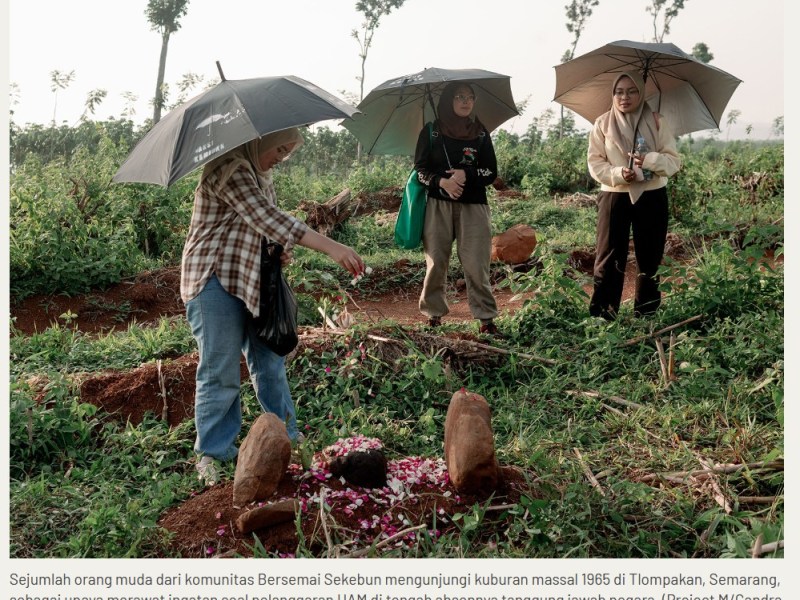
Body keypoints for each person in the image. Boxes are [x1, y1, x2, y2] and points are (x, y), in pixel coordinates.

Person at [181, 128, 365, 484]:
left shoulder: (258, 173)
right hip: (214, 278)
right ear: (259, 139)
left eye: (287, 152)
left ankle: (287, 439)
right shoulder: (229, 167)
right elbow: (267, 217)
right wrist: (333, 247)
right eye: (279, 149)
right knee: (220, 368)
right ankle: (214, 452)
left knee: (269, 361)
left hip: (252, 280)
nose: (281, 158)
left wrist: (276, 251)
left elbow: (264, 229)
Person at [587, 71, 682, 320]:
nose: (624, 97)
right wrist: (619, 173)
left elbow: (673, 162)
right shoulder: (602, 123)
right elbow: (595, 163)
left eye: (632, 91)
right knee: (608, 256)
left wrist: (649, 160)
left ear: (641, 94)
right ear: (612, 94)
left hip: (652, 195)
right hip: (614, 196)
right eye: (619, 92)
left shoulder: (657, 121)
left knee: (650, 256)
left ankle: (647, 314)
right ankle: (603, 315)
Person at [414, 82, 500, 335]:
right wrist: (442, 182)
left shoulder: (480, 133)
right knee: (436, 261)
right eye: (459, 96)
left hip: (474, 207)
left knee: (476, 263)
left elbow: (490, 172)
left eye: (470, 97)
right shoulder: (431, 132)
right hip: (438, 206)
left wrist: (466, 174)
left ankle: (486, 320)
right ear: (448, 100)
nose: (465, 101)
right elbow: (420, 171)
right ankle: (433, 316)